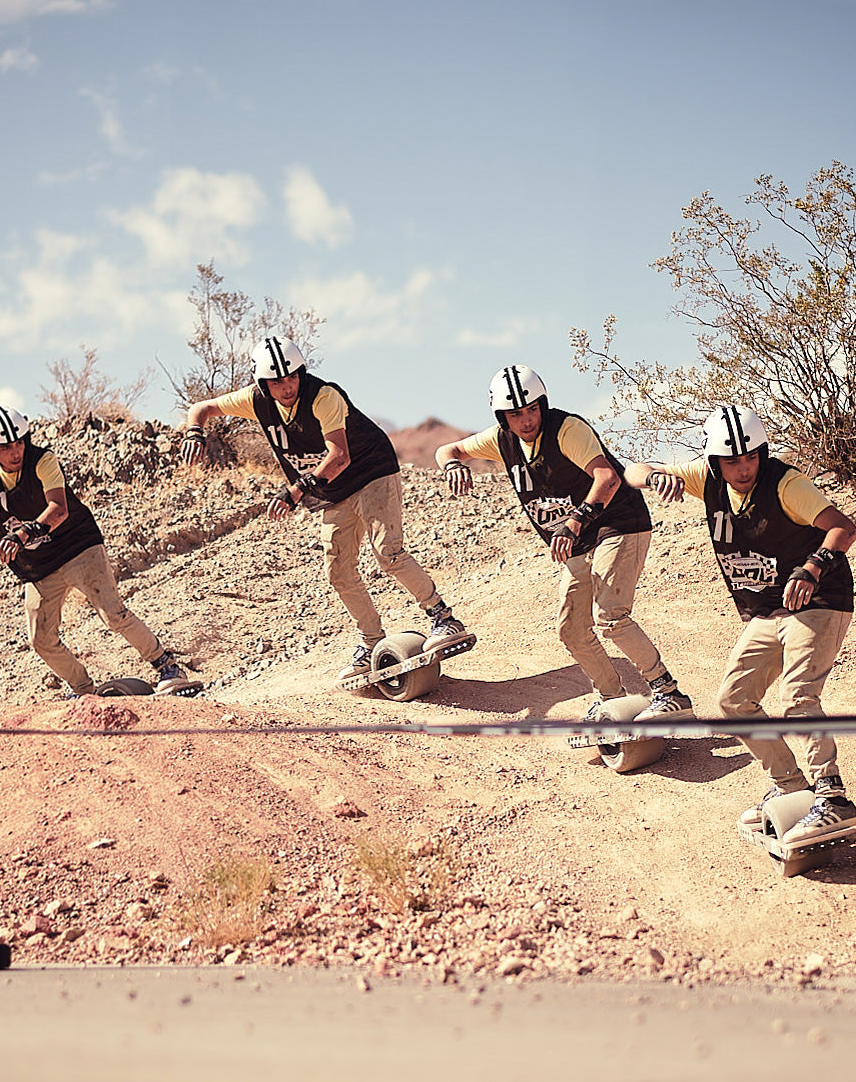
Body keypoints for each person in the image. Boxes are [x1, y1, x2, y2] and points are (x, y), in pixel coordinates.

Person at [626, 404, 856, 849]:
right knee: (733, 701)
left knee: (797, 698)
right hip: (770, 611)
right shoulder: (705, 480)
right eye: (732, 460)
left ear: (762, 453)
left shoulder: (785, 483)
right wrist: (655, 476)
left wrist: (812, 566)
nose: (744, 468)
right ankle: (792, 787)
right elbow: (633, 469)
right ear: (715, 461)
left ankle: (833, 796)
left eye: (751, 457)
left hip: (819, 601)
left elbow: (842, 527)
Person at [182, 335, 473, 683]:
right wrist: (194, 432)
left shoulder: (323, 396)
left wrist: (295, 491)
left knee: (388, 553)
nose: (287, 387)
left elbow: (339, 456)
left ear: (302, 372)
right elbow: (202, 409)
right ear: (262, 383)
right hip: (334, 490)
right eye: (276, 381)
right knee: (338, 572)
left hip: (371, 472)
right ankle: (371, 645)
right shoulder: (255, 401)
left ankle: (442, 617)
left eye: (293, 377)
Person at [435, 364, 691, 720]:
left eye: (532, 409)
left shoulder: (567, 429)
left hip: (616, 524)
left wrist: (573, 523)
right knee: (571, 629)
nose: (526, 420)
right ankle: (613, 699)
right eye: (515, 413)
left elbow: (608, 478)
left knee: (611, 617)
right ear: (501, 416)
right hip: (578, 542)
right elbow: (448, 449)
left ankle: (668, 692)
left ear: (543, 404)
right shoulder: (500, 440)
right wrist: (453, 466)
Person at [0, 405, 195, 699]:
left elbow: (58, 509)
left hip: (78, 546)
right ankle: (84, 691)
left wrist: (22, 534)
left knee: (113, 614)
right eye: (6, 447)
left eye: (20, 442)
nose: (16, 451)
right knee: (41, 639)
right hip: (40, 564)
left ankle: (168, 668)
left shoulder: (43, 460)